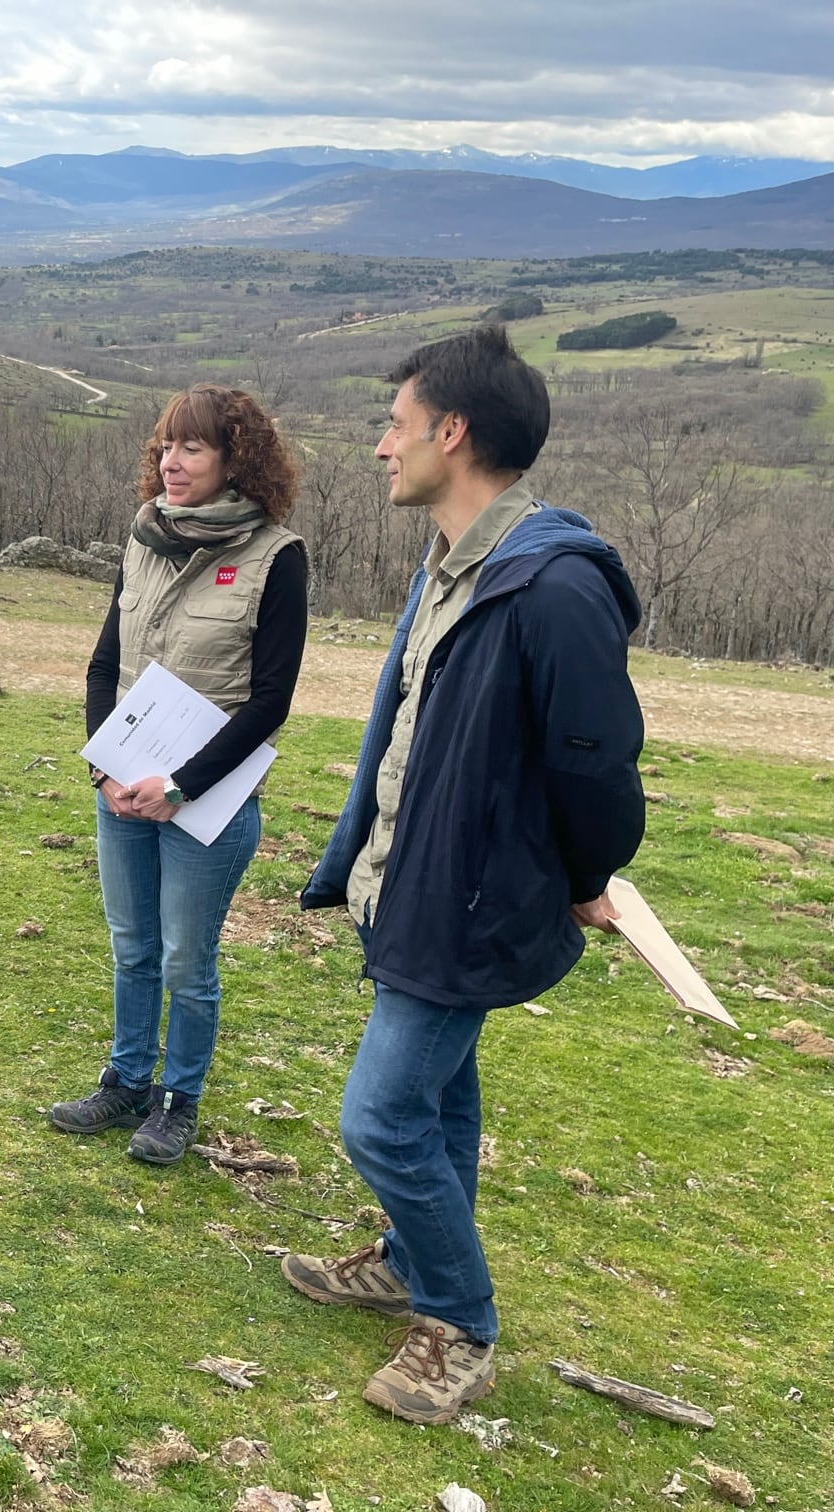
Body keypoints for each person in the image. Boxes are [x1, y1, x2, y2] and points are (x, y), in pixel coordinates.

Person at [283, 325, 645, 1425]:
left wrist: (589, 876)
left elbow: (597, 765)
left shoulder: (549, 590)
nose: (379, 449)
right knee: (435, 1098)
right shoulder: (452, 564)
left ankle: (461, 1322)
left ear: (453, 432)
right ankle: (406, 1255)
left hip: (471, 906)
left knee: (382, 1118)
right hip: (418, 884)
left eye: (395, 428)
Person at [50, 385, 307, 1166]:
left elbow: (270, 700)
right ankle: (126, 1080)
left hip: (208, 805)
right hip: (122, 792)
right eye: (165, 445)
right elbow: (104, 665)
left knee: (187, 961)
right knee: (132, 947)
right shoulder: (141, 541)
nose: (171, 460)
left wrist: (183, 785)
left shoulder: (275, 557)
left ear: (237, 461)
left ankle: (177, 1098)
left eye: (191, 447)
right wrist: (105, 768)